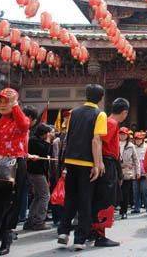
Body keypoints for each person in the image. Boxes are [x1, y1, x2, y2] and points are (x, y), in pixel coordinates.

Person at [57, 84, 107, 251]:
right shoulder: (100, 114)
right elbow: (96, 141)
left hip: (71, 160)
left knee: (70, 198)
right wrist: (98, 163)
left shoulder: (74, 113)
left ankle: (63, 232)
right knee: (85, 201)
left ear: (86, 95)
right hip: (86, 163)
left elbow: (69, 137)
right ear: (101, 98)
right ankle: (80, 238)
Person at [0, 88, 31, 256]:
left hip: (15, 165)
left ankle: (6, 238)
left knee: (11, 203)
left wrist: (15, 105)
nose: (2, 105)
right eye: (0, 101)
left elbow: (24, 125)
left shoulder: (20, 120)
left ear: (15, 103)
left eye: (6, 101)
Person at [90, 98, 129, 247]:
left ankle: (95, 231)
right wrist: (99, 163)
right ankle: (100, 234)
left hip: (107, 162)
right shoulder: (112, 123)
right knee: (105, 198)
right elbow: (99, 141)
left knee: (103, 197)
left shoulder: (109, 121)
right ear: (124, 112)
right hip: (107, 163)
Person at [24, 123, 53, 231]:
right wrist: (48, 140)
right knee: (45, 195)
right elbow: (45, 151)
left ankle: (31, 220)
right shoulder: (34, 141)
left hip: (37, 172)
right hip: (36, 172)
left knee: (38, 196)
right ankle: (39, 221)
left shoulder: (36, 140)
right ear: (44, 133)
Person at [119, 127, 139, 219]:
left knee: (125, 192)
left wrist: (137, 171)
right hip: (116, 171)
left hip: (127, 172)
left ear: (127, 135)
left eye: (124, 134)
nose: (122, 135)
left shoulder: (131, 145)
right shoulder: (114, 143)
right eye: (120, 133)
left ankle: (124, 211)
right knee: (116, 192)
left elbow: (136, 159)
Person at [132, 132, 147, 215]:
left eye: (139, 139)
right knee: (135, 191)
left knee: (145, 191)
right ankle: (137, 207)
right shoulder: (132, 147)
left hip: (144, 172)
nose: (138, 141)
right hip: (135, 171)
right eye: (136, 139)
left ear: (142, 139)